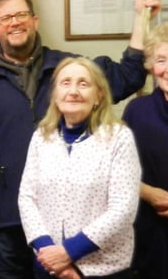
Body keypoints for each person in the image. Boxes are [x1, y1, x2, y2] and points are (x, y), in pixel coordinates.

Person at [0, 0, 160, 279]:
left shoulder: (66, 70)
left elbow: (126, 76)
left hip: (62, 228)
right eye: (7, 18)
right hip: (3, 219)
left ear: (35, 21)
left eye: (22, 15)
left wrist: (141, 18)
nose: (15, 22)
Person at [18, 57, 140, 278]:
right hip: (49, 266)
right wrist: (51, 254)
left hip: (102, 269)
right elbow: (27, 197)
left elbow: (124, 208)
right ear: (55, 95)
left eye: (83, 84)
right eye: (65, 83)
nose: (73, 91)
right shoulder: (41, 137)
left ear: (98, 96)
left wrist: (69, 252)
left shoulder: (118, 138)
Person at [123, 23, 168, 279]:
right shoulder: (137, 111)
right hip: (149, 234)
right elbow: (118, 172)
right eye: (161, 60)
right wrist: (150, 194)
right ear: (151, 65)